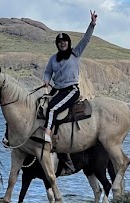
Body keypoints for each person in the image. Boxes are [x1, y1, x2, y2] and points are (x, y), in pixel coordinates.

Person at [41, 10, 98, 150]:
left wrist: (92, 24)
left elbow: (85, 40)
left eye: (64, 41)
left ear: (68, 42)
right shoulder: (53, 58)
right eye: (60, 42)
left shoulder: (75, 53)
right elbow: (48, 72)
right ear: (57, 44)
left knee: (53, 108)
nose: (62, 44)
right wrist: (46, 80)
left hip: (71, 90)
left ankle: (47, 133)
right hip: (57, 90)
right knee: (41, 105)